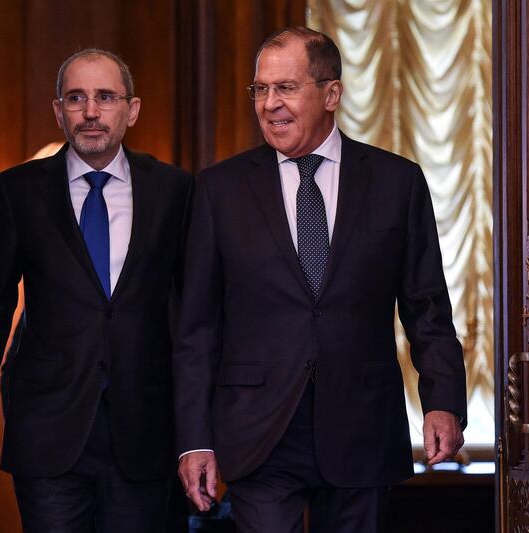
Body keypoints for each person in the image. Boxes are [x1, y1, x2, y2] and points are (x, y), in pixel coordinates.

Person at [173, 27, 466, 533]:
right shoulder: (219, 190)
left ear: (331, 93)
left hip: (361, 424)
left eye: (285, 87)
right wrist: (195, 438)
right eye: (260, 89)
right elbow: (196, 327)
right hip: (258, 430)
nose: (269, 104)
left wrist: (443, 400)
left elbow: (427, 306)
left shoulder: (397, 182)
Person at [0, 48, 192, 531]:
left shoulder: (174, 190)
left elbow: (197, 314)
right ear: (58, 111)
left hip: (146, 431)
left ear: (132, 109)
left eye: (105, 97)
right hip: (48, 430)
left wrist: (203, 431)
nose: (90, 111)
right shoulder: (19, 189)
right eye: (76, 98)